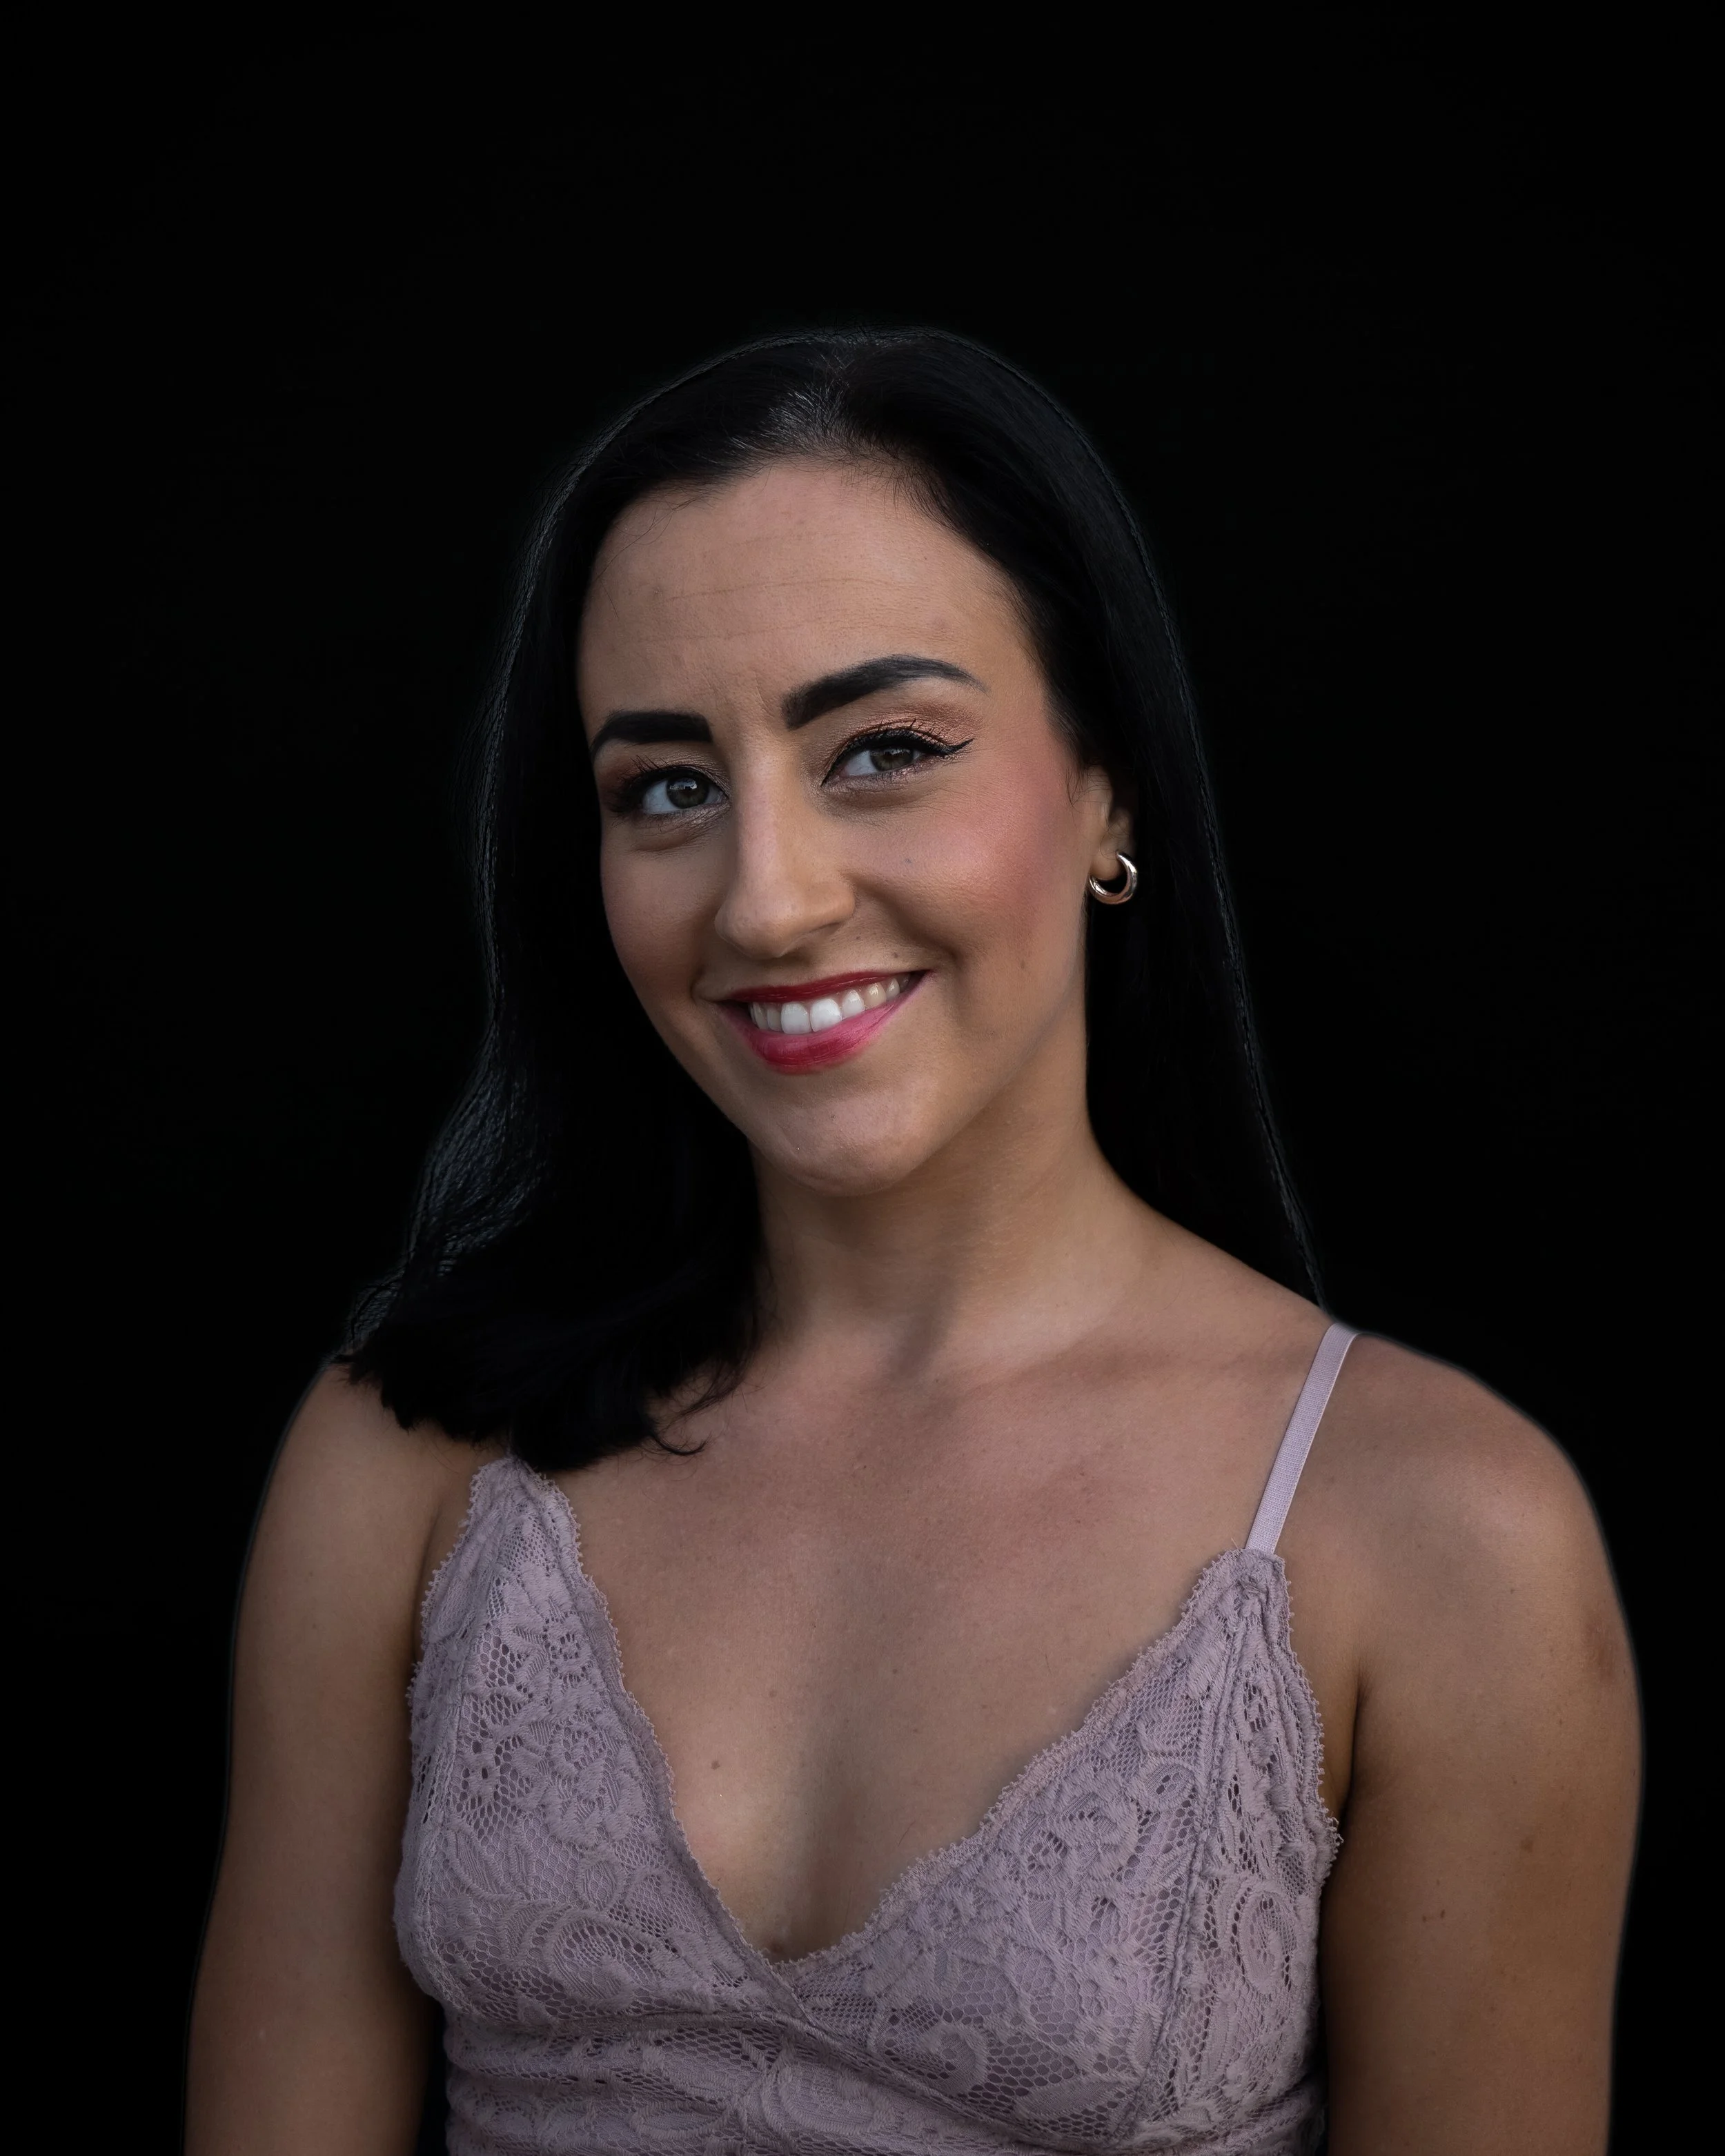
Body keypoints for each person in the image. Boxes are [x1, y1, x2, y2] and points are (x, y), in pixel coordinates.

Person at [187, 333, 1638, 2155]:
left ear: (1108, 785)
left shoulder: (1433, 1538)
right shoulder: (407, 1452)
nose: (769, 898)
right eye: (667, 786)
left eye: (883, 750)